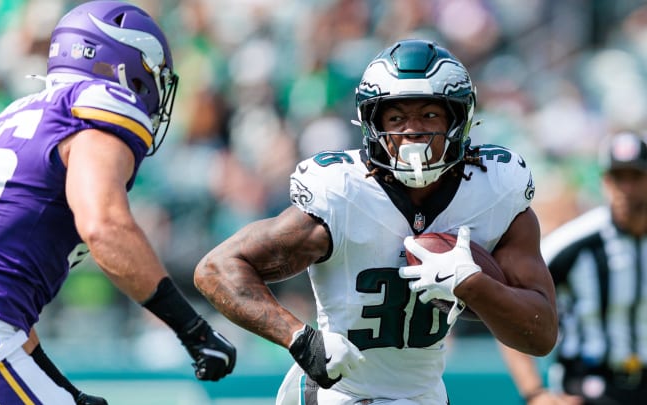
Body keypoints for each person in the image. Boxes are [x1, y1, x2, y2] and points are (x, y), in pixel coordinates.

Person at [193, 38, 558, 404]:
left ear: (458, 119)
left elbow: (541, 335)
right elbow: (216, 269)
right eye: (396, 117)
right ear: (372, 124)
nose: (412, 131)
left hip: (423, 395)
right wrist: (299, 338)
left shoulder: (494, 190)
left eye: (429, 115)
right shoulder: (342, 193)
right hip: (339, 392)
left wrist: (472, 284)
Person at [0, 1, 236, 404]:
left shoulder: (19, 114)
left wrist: (65, 390)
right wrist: (192, 328)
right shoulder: (97, 109)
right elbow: (104, 227)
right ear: (128, 65)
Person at [500, 131, 647, 405]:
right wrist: (535, 393)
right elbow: (510, 307)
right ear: (605, 181)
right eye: (618, 177)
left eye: (636, 177)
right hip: (588, 388)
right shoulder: (574, 244)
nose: (626, 188)